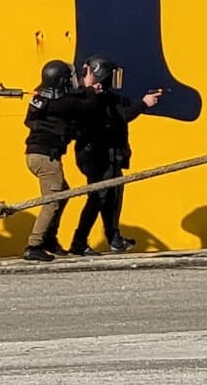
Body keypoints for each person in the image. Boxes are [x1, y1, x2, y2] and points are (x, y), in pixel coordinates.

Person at [69, 55, 162, 255]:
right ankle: (80, 241)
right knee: (98, 197)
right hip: (95, 155)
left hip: (108, 154)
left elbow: (121, 107)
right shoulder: (85, 97)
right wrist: (143, 104)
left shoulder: (104, 97)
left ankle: (113, 237)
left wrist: (142, 101)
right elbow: (121, 116)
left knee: (110, 197)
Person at [22, 59, 100, 262]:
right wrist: (90, 87)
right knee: (52, 200)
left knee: (62, 194)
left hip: (35, 154)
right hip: (47, 157)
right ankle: (34, 244)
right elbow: (87, 106)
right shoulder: (64, 103)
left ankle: (49, 238)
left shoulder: (40, 97)